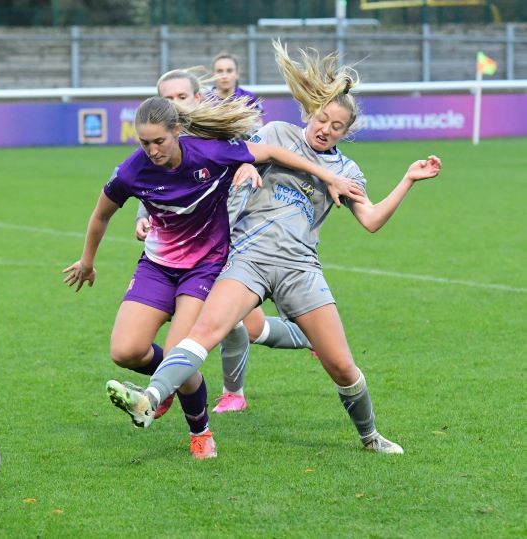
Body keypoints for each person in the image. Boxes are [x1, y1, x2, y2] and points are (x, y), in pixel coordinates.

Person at [106, 40, 443, 455]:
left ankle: (370, 436)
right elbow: (238, 155)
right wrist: (246, 166)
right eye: (322, 118)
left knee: (340, 364)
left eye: (337, 126)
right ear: (309, 112)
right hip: (246, 258)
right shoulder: (278, 133)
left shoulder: (346, 170)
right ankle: (151, 399)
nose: (326, 129)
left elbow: (371, 220)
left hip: (300, 267)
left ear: (347, 132)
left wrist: (407, 180)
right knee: (205, 332)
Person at [63, 96, 359, 459]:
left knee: (179, 351)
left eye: (160, 141)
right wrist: (87, 261)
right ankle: (167, 382)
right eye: (144, 143)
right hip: (157, 266)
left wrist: (328, 175)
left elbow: (271, 153)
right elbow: (100, 215)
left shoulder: (211, 153)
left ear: (178, 131)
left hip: (205, 267)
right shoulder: (131, 171)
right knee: (125, 351)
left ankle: (199, 432)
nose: (152, 150)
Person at [147, 68, 315, 418]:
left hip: (230, 238)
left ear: (197, 98)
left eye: (181, 97)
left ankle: (224, 392)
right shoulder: (160, 140)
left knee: (237, 325)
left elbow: (259, 153)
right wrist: (141, 219)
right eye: (167, 98)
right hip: (183, 247)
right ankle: (313, 336)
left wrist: (248, 168)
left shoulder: (217, 135)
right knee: (245, 326)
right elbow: (148, 185)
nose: (173, 104)